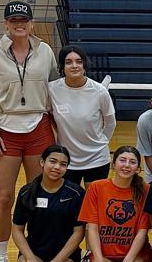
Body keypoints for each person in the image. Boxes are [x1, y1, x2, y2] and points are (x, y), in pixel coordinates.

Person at [0, 0, 59, 262]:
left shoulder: (45, 51)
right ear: (5, 24)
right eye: (13, 20)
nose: (19, 24)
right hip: (5, 129)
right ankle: (1, 260)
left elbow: (56, 90)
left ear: (31, 24)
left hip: (39, 127)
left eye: (23, 20)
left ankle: (37, 254)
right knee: (4, 198)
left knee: (39, 197)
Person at [10, 144, 85, 262]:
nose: (57, 167)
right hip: (34, 252)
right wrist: (30, 258)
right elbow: (17, 230)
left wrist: (57, 261)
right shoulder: (26, 192)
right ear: (42, 162)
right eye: (53, 161)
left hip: (64, 255)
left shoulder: (75, 193)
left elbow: (79, 232)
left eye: (63, 164)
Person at [80, 146, 152, 262]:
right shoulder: (96, 187)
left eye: (132, 162)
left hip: (135, 255)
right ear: (113, 164)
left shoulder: (146, 190)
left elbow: (142, 232)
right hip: (105, 255)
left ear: (138, 169)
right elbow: (92, 229)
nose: (126, 165)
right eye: (122, 160)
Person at [48, 45, 116, 188]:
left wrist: (102, 141)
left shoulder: (99, 91)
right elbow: (49, 117)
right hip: (66, 159)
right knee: (70, 200)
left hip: (97, 159)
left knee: (93, 200)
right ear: (62, 67)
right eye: (68, 62)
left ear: (84, 65)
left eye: (79, 61)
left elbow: (110, 122)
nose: (74, 66)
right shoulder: (52, 89)